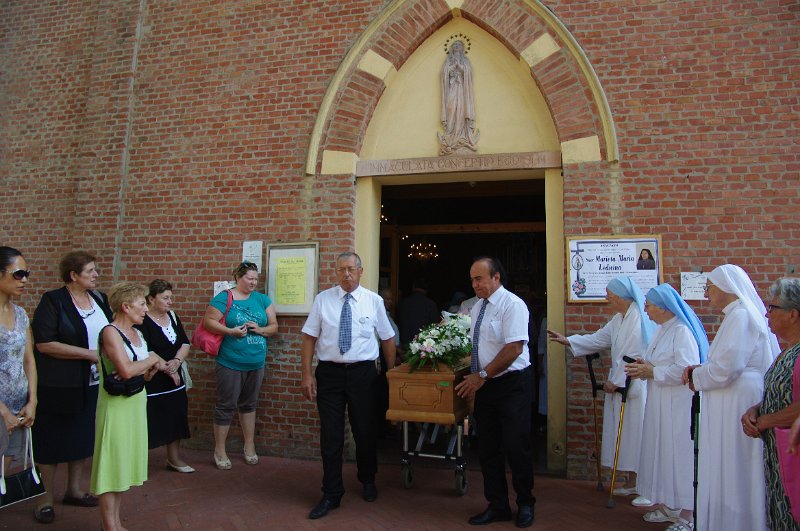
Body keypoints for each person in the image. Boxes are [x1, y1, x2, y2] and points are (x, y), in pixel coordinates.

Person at [300, 252, 396, 520]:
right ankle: (331, 492)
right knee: (330, 434)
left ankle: (368, 478)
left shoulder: (374, 301)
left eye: (351, 269)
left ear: (360, 271)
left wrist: (390, 374)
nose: (346, 274)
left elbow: (387, 338)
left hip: (363, 374)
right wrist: (306, 375)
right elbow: (309, 338)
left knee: (364, 430)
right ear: (336, 272)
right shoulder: (323, 300)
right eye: (341, 269)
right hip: (329, 373)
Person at [682, 265, 778, 531]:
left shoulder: (741, 315)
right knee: (726, 462)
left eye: (710, 287)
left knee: (736, 464)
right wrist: (701, 372)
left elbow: (728, 367)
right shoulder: (735, 315)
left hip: (738, 398)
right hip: (729, 396)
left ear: (726, 287)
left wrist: (697, 376)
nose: (706, 293)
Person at [547, 276, 655, 504]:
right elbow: (599, 339)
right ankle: (632, 482)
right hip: (621, 385)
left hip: (633, 385)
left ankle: (647, 488)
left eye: (610, 295)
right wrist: (569, 341)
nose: (607, 299)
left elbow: (632, 355)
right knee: (626, 436)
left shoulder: (638, 319)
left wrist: (615, 381)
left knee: (639, 435)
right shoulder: (619, 319)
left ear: (622, 297)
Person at [31, 251, 112, 524]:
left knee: (82, 437)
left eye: (95, 270)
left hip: (92, 383)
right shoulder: (53, 300)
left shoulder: (99, 299)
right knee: (51, 441)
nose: (96, 275)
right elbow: (44, 343)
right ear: (73, 275)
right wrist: (89, 354)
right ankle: (44, 499)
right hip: (59, 384)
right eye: (90, 271)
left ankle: (74, 490)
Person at [455, 257, 534, 528]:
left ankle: (525, 503)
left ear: (496, 277)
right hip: (486, 385)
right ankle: (497, 505)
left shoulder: (513, 305)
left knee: (516, 445)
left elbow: (514, 349)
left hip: (512, 385)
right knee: (488, 448)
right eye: (472, 280)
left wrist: (481, 376)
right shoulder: (478, 307)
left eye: (479, 279)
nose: (474, 284)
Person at [625, 283, 708, 531]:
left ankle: (688, 514)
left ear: (663, 308)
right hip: (661, 402)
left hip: (678, 406)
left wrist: (652, 371)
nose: (646, 310)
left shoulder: (681, 331)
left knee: (679, 456)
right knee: (663, 454)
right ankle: (670, 505)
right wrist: (644, 365)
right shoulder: (663, 329)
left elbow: (686, 368)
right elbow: (660, 361)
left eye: (649, 305)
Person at [90, 282, 164, 531]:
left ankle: (114, 521)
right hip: (115, 407)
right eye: (142, 304)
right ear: (126, 306)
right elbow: (125, 370)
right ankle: (109, 525)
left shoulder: (138, 334)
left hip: (135, 402)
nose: (146, 309)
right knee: (111, 463)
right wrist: (150, 360)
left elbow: (139, 373)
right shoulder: (110, 332)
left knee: (122, 464)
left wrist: (145, 368)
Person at [201, 261, 278, 470]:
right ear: (238, 277)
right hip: (230, 361)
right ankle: (220, 450)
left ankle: (249, 446)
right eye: (249, 278)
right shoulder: (225, 297)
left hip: (256, 361)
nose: (253, 282)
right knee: (226, 405)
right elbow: (209, 322)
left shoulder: (262, 299)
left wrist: (260, 329)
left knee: (249, 404)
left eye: (255, 279)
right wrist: (231, 331)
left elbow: (274, 326)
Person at [742, 277, 800, 530]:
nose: (767, 314)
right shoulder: (786, 352)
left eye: (773, 308)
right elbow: (781, 393)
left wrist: (766, 420)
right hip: (777, 458)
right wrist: (756, 410)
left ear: (793, 314)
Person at [135, 279, 194, 473]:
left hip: (175, 376)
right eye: (165, 298)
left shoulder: (173, 317)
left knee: (176, 415)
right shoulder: (143, 321)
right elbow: (145, 349)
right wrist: (167, 369)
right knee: (150, 418)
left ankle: (173, 458)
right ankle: (138, 462)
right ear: (151, 299)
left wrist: (177, 361)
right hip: (153, 377)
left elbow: (184, 343)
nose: (170, 302)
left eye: (170, 297)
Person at [0, 247, 37, 465]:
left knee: (5, 473)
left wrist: (33, 401)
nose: (24, 280)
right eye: (18, 274)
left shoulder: (21, 314)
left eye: (26, 274)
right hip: (3, 410)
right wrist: (3, 412)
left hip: (18, 408)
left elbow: (28, 360)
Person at [438, 39, 480, 155]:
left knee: (461, 109)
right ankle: (450, 134)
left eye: (459, 45)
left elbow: (469, 73)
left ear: (462, 48)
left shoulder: (465, 61)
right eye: (454, 45)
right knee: (451, 108)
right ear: (452, 48)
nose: (456, 46)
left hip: (462, 90)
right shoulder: (448, 61)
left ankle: (462, 136)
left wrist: (460, 67)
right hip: (452, 88)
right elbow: (444, 73)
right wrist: (452, 67)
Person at [398, 278, 440, 346]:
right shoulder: (431, 304)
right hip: (425, 346)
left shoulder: (403, 303)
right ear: (426, 289)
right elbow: (435, 326)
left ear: (413, 287)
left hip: (405, 344)